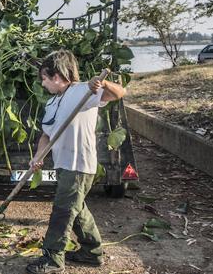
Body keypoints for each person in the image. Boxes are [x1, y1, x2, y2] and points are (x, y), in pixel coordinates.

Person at [26, 50, 125, 274]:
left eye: (44, 78)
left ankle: (52, 259)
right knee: (77, 210)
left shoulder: (83, 91)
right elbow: (46, 135)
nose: (42, 84)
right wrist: (38, 156)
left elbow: (120, 93)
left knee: (62, 211)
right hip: (63, 165)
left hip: (78, 165)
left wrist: (103, 84)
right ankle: (92, 252)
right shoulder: (52, 102)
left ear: (57, 77)